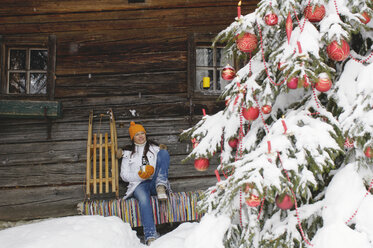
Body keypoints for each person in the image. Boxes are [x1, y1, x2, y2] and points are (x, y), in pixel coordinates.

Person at [119, 121, 170, 245]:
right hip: (138, 185)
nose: (141, 136)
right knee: (143, 199)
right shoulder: (128, 154)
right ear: (133, 138)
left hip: (154, 183)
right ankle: (150, 235)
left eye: (142, 133)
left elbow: (161, 165)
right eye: (137, 134)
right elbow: (124, 175)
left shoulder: (155, 149)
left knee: (164, 153)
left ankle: (161, 185)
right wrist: (140, 175)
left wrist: (151, 173)